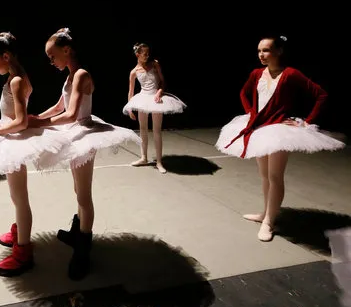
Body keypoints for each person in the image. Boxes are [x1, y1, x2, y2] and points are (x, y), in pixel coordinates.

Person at [28, 28, 141, 280]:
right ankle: (77, 231)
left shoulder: (81, 75)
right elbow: (60, 106)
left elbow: (70, 114)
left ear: (66, 50)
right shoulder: (70, 77)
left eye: (52, 55)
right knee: (78, 191)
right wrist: (35, 117)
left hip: (83, 134)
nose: (51, 61)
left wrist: (38, 124)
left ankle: (83, 249)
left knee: (84, 194)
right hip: (73, 134)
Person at [0, 32, 68, 277]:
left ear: (6, 56)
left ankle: (24, 251)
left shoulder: (16, 80)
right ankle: (20, 232)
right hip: (11, 138)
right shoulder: (16, 77)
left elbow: (19, 121)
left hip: (14, 140)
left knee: (20, 198)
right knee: (16, 196)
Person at [215, 35, 344, 241]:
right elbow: (243, 93)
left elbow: (321, 95)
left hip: (279, 131)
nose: (261, 55)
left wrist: (306, 121)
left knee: (275, 177)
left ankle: (269, 222)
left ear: (279, 51)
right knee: (265, 176)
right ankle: (266, 213)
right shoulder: (256, 73)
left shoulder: (291, 74)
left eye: (266, 50)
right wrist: (251, 112)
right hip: (259, 128)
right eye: (259, 51)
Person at [123, 43, 186, 173]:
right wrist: (130, 108)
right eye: (144, 54)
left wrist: (159, 92)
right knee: (143, 129)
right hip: (142, 99)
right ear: (137, 55)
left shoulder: (155, 64)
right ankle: (144, 157)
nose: (147, 56)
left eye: (148, 54)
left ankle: (159, 161)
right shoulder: (134, 72)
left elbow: (163, 81)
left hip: (156, 98)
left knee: (157, 130)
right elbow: (130, 91)